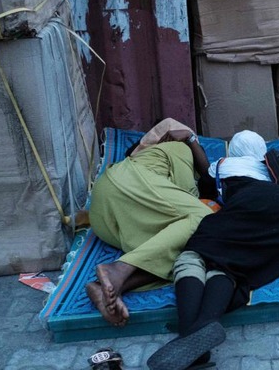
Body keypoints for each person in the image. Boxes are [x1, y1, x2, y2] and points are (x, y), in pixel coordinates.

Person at [147, 131, 279, 370]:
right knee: (229, 264)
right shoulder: (270, 168)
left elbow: (203, 184)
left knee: (194, 253)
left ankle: (194, 332)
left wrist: (192, 142)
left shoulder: (223, 166)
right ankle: (199, 343)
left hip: (254, 206)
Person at [85, 128, 217, 326]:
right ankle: (117, 268)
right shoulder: (176, 148)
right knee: (204, 218)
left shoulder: (151, 173)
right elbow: (189, 195)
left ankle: (111, 285)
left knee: (184, 251)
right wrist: (191, 142)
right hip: (125, 185)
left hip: (104, 220)